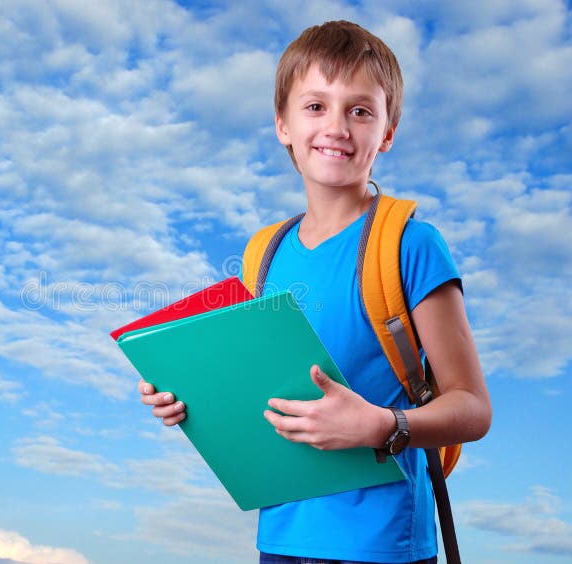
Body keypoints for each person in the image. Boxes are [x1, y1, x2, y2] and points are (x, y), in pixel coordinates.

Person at [138, 20, 491, 564]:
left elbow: (472, 410)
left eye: (360, 110)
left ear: (387, 132)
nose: (337, 126)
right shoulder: (263, 254)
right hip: (280, 536)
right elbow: (256, 386)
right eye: (315, 106)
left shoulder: (410, 245)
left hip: (382, 544)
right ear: (282, 124)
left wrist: (383, 424)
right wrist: (190, 398)